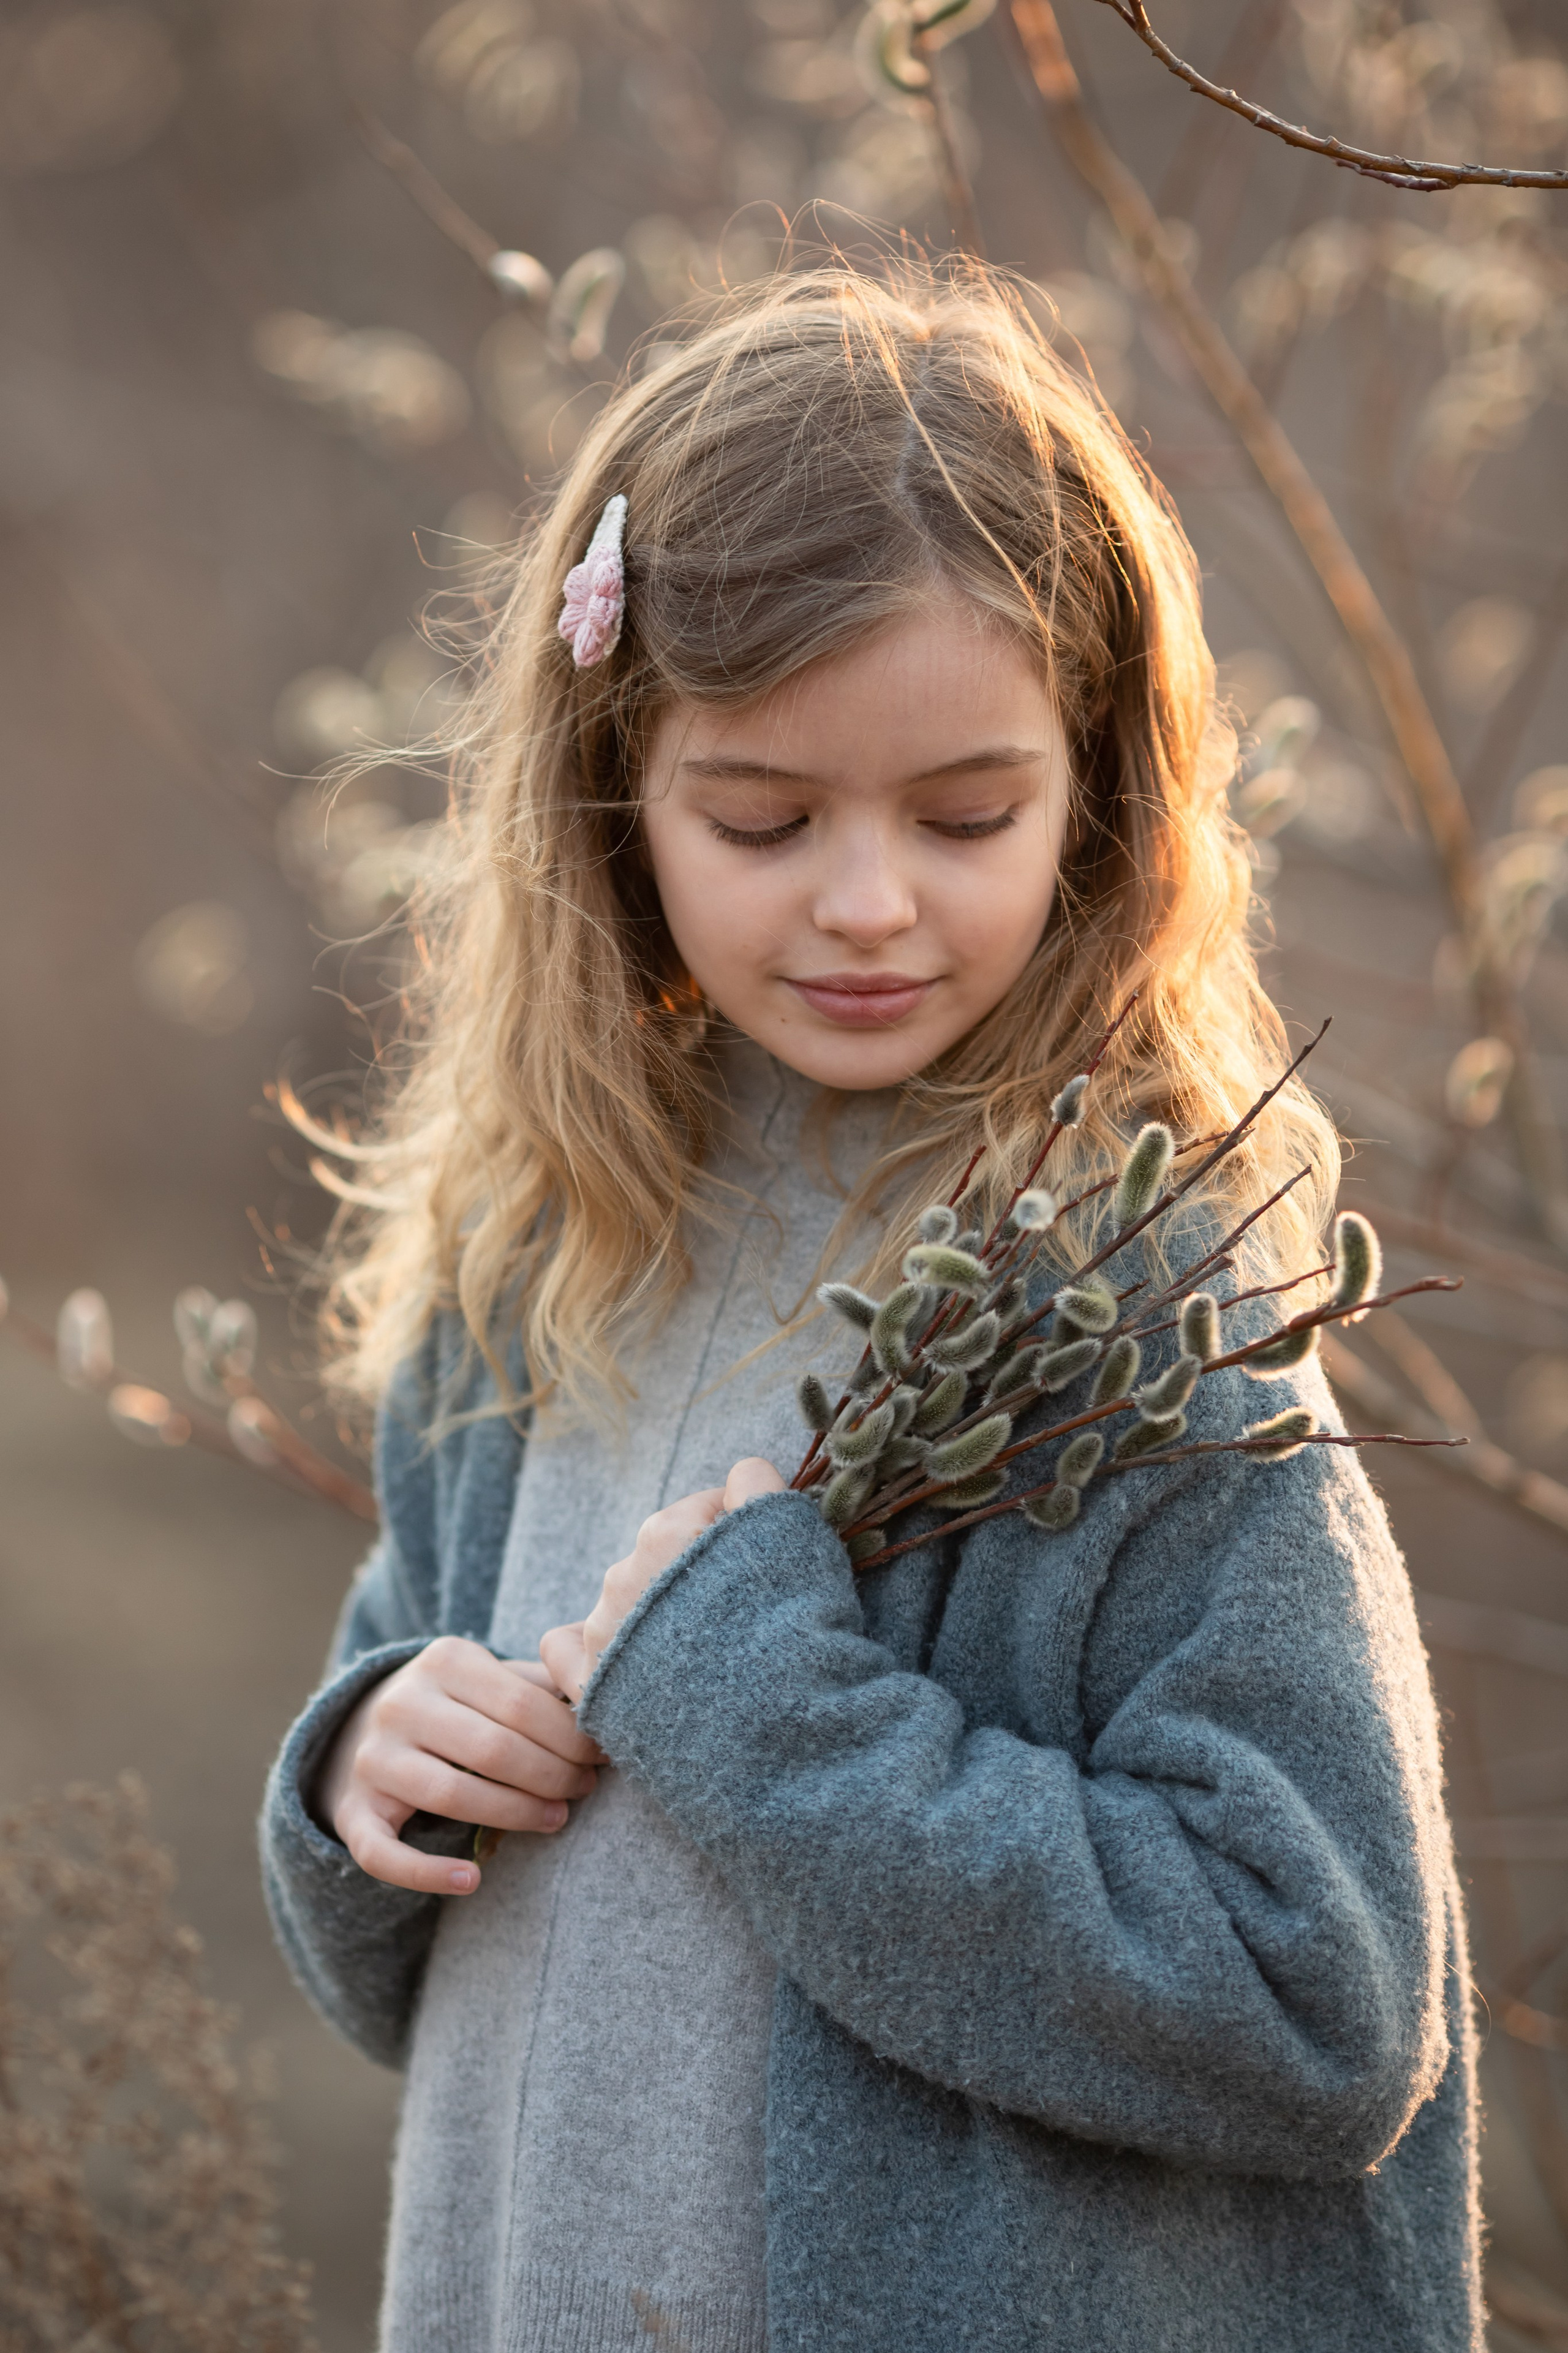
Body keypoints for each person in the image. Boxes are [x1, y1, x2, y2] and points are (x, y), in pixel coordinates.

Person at [260, 261, 1482, 2352]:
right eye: (761, 817)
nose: (866, 900)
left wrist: (768, 1709)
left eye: (966, 814)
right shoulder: (547, 1247)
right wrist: (367, 1772)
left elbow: (1316, 1992)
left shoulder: (1130, 1302)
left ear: (1098, 794)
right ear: (615, 800)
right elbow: (406, 1835)